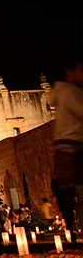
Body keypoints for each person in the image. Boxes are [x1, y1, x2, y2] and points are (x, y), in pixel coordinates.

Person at [50, 57, 83, 233]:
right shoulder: (70, 91)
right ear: (69, 73)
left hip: (64, 147)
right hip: (74, 146)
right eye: (79, 70)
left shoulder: (61, 92)